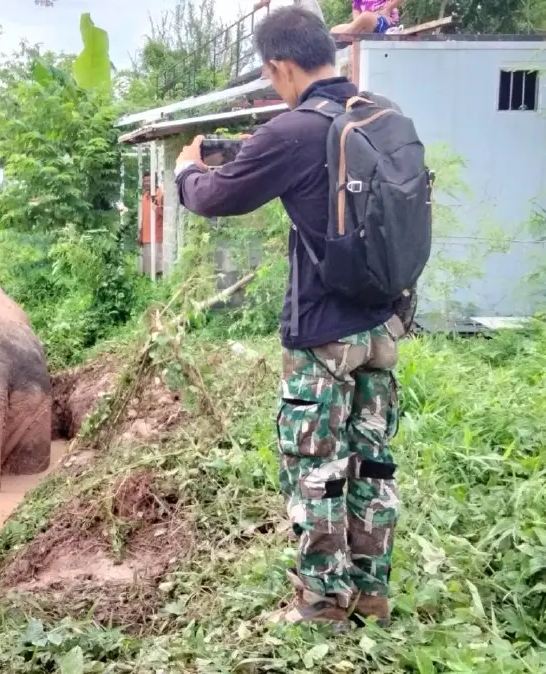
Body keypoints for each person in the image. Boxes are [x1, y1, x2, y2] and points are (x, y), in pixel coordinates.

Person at [174, 7, 404, 628]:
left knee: (316, 466)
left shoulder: (294, 130)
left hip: (323, 333)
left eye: (271, 75)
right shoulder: (380, 116)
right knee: (372, 460)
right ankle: (372, 595)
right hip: (383, 328)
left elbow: (213, 197)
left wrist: (185, 169)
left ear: (280, 65)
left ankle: (324, 603)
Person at [138, 173, 165, 277]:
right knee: (148, 269)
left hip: (157, 237)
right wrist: (140, 233)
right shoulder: (144, 196)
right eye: (145, 181)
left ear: (154, 181)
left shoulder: (160, 194)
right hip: (146, 237)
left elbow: (165, 215)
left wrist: (157, 207)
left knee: (158, 267)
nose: (146, 183)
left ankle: (160, 288)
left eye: (149, 181)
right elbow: (143, 216)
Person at [331, 0, 403, 35]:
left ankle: (348, 34)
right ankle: (352, 33)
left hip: (385, 21)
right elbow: (356, 18)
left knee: (365, 16)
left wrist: (388, 9)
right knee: (334, 29)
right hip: (367, 24)